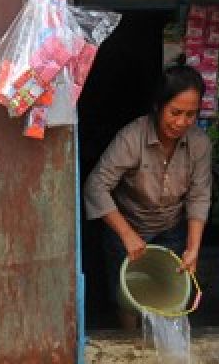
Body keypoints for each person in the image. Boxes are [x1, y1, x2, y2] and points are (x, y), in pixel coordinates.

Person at [83, 63, 211, 326]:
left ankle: (158, 351)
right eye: (175, 112)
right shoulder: (132, 138)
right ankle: (133, 347)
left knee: (170, 294)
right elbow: (96, 185)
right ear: (158, 106)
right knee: (127, 298)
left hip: (171, 229)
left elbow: (199, 195)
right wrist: (127, 235)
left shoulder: (199, 144)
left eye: (190, 115)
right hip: (126, 226)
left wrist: (193, 247)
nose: (181, 122)